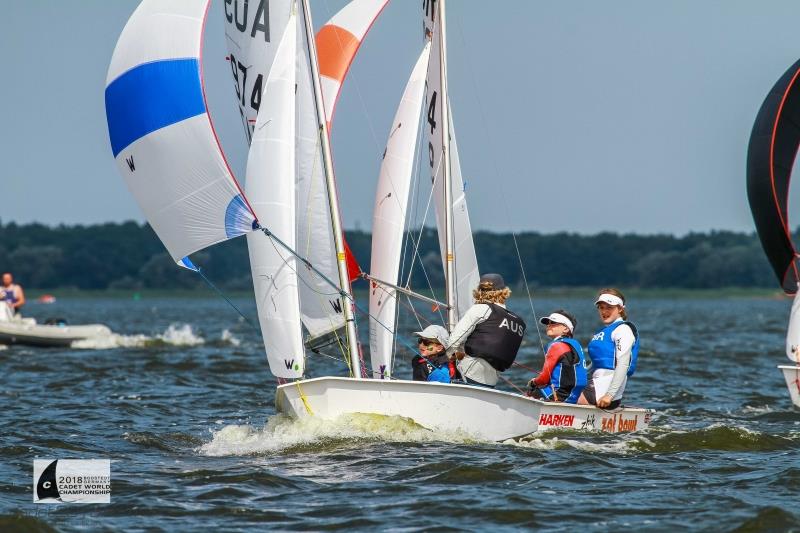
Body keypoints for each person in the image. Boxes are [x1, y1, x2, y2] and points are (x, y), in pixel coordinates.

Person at [446, 273, 526, 388]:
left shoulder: (481, 309)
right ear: (504, 292)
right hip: (491, 381)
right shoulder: (518, 322)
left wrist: (449, 357)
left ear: (479, 291)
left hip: (469, 373)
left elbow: (453, 342)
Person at [579, 288, 640, 409]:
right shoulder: (604, 331)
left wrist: (609, 395)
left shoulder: (623, 330)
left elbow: (623, 364)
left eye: (609, 307)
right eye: (601, 307)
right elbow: (596, 363)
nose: (604, 311)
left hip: (607, 389)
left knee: (566, 394)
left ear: (620, 309)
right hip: (596, 382)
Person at [528, 310, 588, 403]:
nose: (548, 325)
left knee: (531, 391)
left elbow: (544, 378)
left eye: (553, 323)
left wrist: (534, 382)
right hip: (575, 395)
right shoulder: (576, 344)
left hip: (559, 395)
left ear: (566, 329)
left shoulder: (556, 345)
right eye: (548, 323)